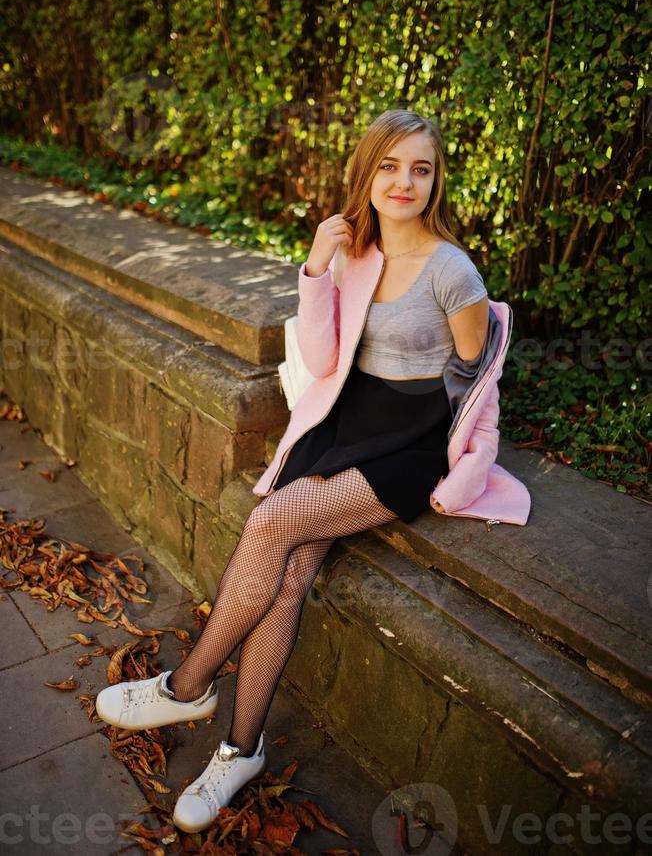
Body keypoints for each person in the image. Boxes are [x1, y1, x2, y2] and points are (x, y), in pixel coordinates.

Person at [94, 109, 491, 833]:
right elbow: (324, 349)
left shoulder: (453, 270)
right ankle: (242, 749)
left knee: (272, 519)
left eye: (421, 169)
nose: (404, 182)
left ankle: (188, 684)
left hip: (412, 442)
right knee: (288, 575)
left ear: (436, 182)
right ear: (366, 173)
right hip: (345, 418)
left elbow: (478, 372)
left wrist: (465, 458)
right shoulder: (355, 250)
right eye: (390, 166)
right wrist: (315, 267)